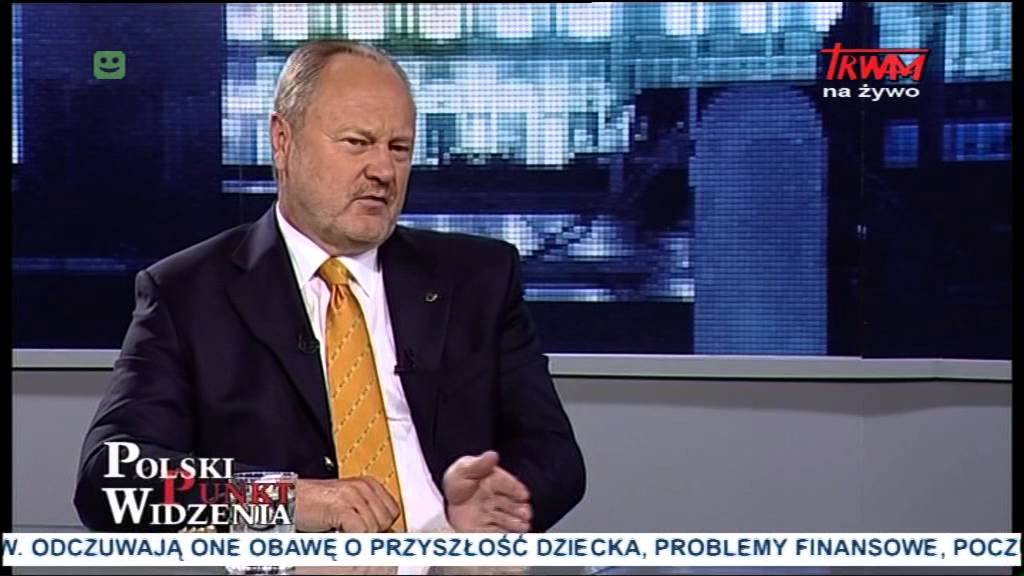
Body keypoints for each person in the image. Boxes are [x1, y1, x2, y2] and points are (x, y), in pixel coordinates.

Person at [73, 40, 585, 534]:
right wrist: (286, 502)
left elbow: (555, 456)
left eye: (399, 148)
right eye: (357, 143)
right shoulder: (188, 294)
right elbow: (110, 481)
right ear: (283, 140)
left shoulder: (477, 278)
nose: (383, 171)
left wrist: (498, 503)